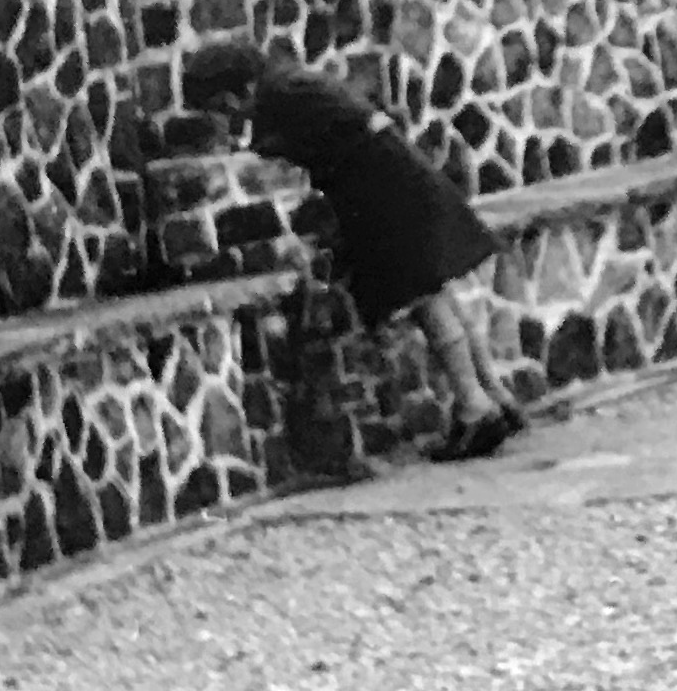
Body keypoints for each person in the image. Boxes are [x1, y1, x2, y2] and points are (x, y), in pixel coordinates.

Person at [178, 39, 524, 462]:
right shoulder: (293, 81)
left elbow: (296, 144)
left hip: (385, 192)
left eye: (225, 106)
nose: (231, 116)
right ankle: (495, 394)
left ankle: (476, 408)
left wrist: (257, 152)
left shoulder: (283, 96)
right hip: (399, 179)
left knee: (425, 297)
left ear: (238, 91)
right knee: (438, 291)